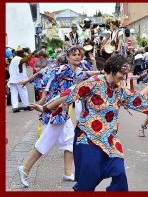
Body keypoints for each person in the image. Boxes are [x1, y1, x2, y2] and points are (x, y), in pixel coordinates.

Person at [28, 54, 148, 191]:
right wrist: (45, 108)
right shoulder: (93, 82)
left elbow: (138, 100)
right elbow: (68, 94)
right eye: (122, 73)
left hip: (110, 140)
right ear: (113, 68)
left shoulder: (118, 89)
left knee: (120, 173)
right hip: (88, 138)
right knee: (88, 181)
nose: (123, 77)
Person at [17, 46, 101, 188]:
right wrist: (26, 81)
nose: (77, 57)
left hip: (63, 110)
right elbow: (44, 72)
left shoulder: (78, 72)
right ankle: (24, 169)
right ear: (67, 57)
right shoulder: (62, 69)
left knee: (69, 141)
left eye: (79, 55)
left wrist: (104, 71)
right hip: (54, 109)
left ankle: (68, 173)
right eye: (74, 55)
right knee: (45, 142)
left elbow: (90, 74)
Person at [8, 45, 33, 113]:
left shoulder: (13, 59)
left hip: (12, 79)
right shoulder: (20, 59)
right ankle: (26, 105)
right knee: (23, 92)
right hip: (19, 79)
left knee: (14, 93)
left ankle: (15, 107)